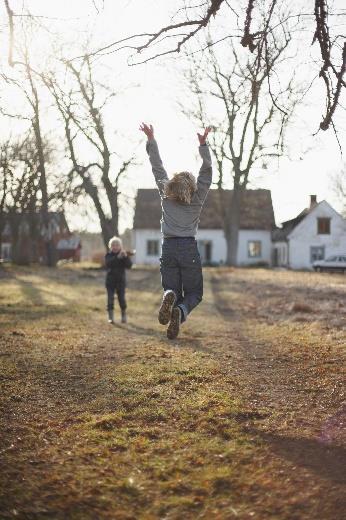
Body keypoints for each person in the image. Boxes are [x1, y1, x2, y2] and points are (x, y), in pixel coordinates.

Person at [139, 122, 212, 339]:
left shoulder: (166, 195)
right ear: (192, 188)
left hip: (168, 247)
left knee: (172, 288)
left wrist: (151, 139)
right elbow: (207, 173)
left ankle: (170, 295)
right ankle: (180, 311)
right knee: (194, 293)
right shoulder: (197, 200)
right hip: (188, 248)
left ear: (173, 184)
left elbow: (157, 166)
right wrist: (203, 145)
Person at [105, 236, 132, 324]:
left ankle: (123, 315)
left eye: (117, 245)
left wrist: (126, 257)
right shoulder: (108, 255)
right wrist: (118, 257)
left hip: (121, 282)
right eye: (113, 245)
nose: (115, 247)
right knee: (110, 299)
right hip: (110, 282)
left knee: (122, 299)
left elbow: (129, 266)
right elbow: (108, 263)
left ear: (120, 246)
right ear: (110, 246)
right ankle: (111, 317)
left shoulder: (123, 255)